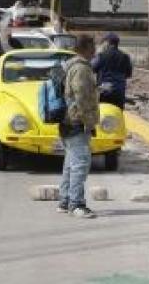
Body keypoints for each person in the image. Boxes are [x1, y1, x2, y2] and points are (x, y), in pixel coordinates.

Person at [58, 34, 100, 219]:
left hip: (66, 121)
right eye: (94, 46)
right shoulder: (81, 69)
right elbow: (81, 97)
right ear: (86, 47)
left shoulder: (68, 65)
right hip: (77, 122)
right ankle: (77, 204)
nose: (96, 50)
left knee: (70, 163)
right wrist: (89, 122)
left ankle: (65, 201)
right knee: (80, 164)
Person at [91, 32, 132, 110]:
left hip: (104, 91)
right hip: (119, 92)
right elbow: (129, 74)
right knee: (118, 113)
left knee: (103, 114)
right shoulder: (125, 57)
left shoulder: (101, 56)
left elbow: (91, 68)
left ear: (107, 43)